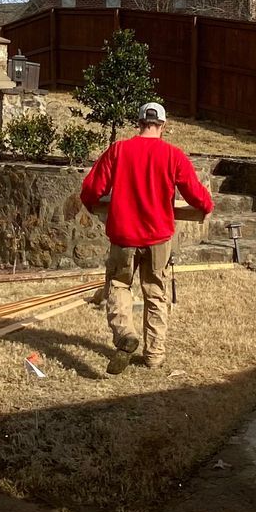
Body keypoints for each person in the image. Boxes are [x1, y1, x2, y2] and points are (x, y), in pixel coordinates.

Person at [78, 101, 213, 374]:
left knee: (118, 286)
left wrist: (92, 202)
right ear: (163, 125)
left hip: (124, 235)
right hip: (158, 237)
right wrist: (207, 206)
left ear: (139, 123)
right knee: (156, 294)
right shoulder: (173, 155)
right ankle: (154, 355)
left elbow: (92, 188)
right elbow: (195, 193)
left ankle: (124, 334)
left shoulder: (119, 150)